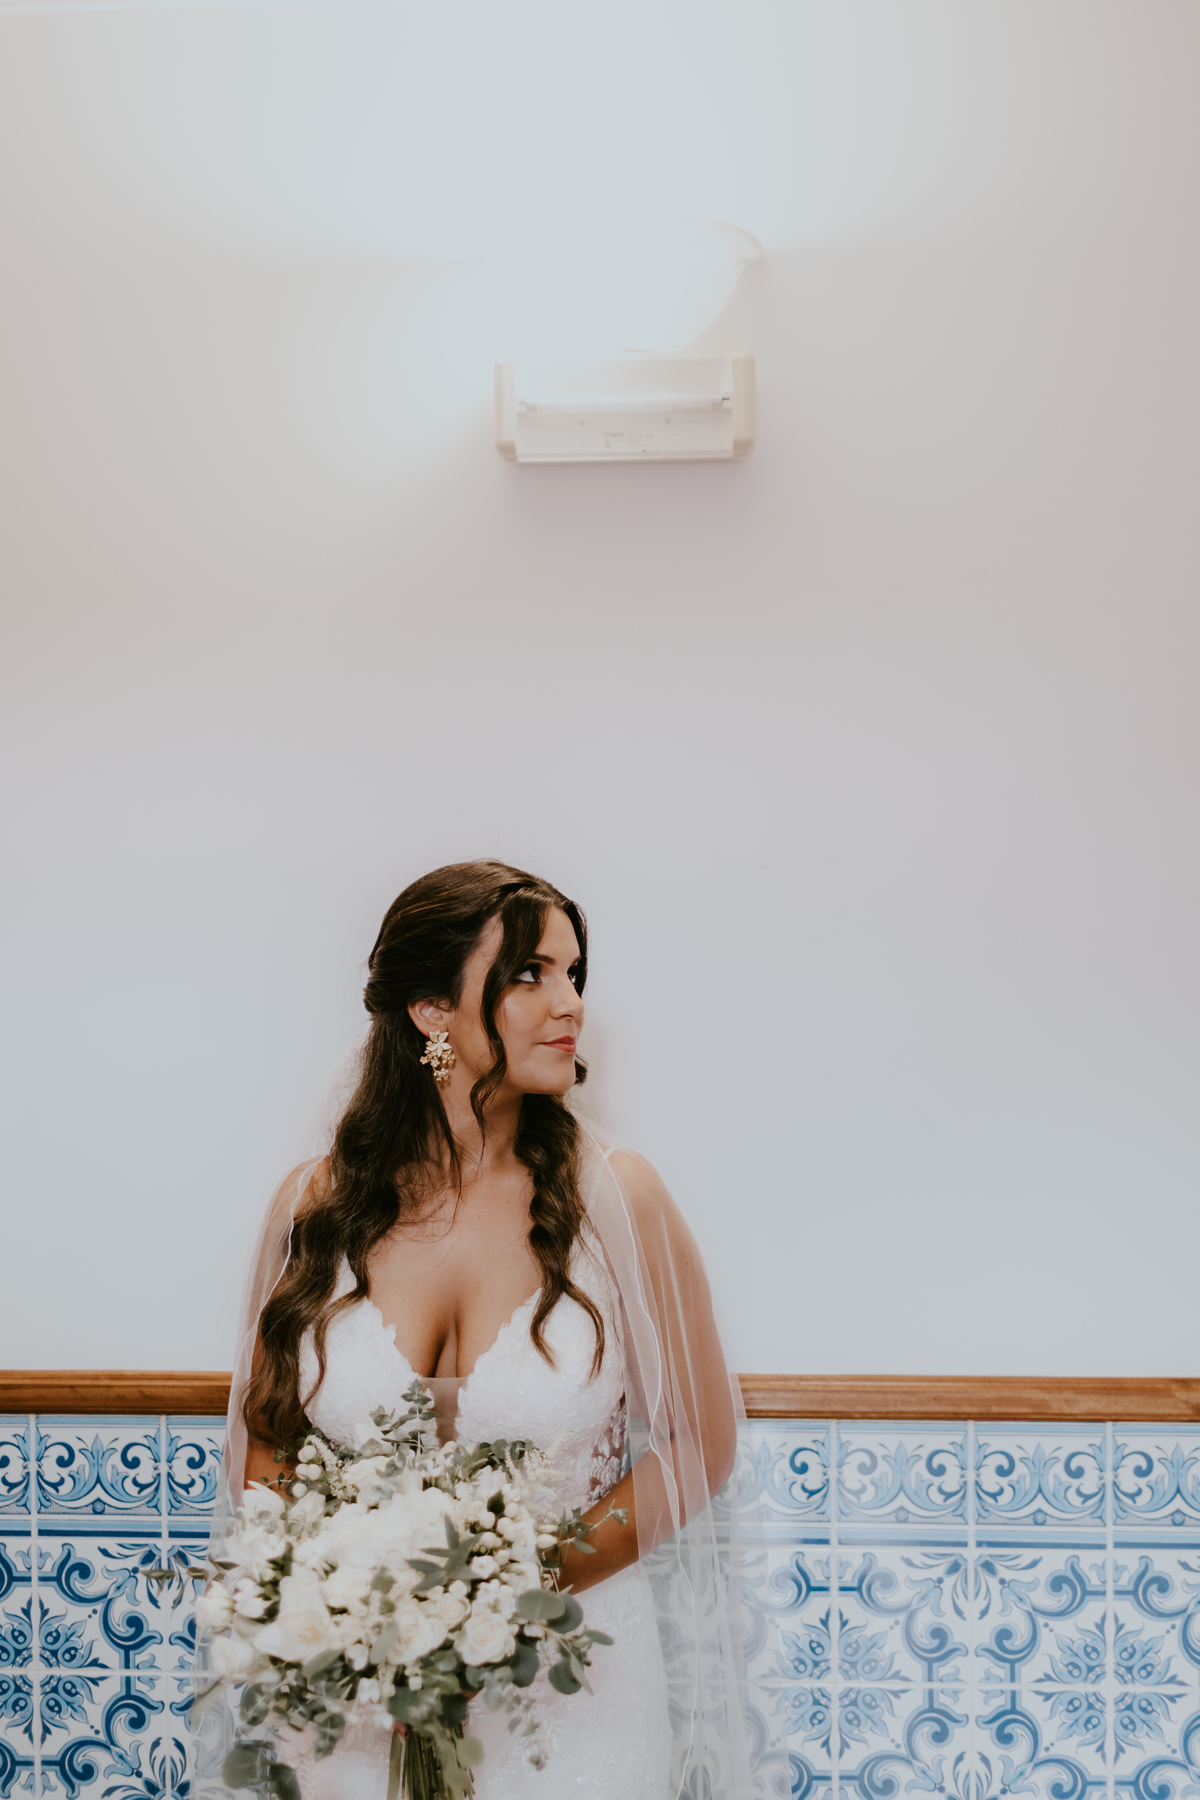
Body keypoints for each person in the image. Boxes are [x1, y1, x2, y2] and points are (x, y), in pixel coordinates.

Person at [203, 861, 756, 1800]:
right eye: (529, 975)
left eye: (574, 973)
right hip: (358, 1702)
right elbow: (264, 1442)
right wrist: (349, 1610)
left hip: (573, 1699)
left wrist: (501, 1600)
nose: (569, 1003)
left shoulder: (618, 1199)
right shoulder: (315, 1207)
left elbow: (701, 1444)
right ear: (431, 1010)